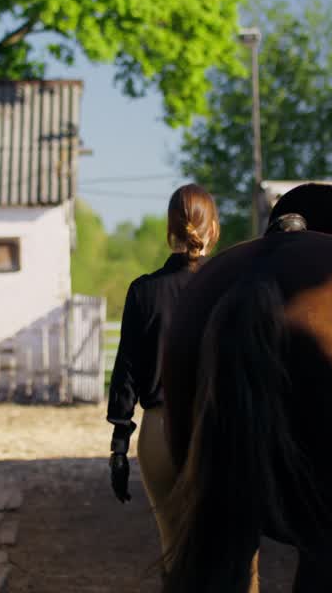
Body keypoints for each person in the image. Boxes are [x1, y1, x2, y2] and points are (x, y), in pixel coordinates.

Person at [105, 183, 220, 557]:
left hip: (159, 431)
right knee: (225, 554)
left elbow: (126, 372)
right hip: (219, 427)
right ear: (213, 229)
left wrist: (119, 447)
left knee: (174, 553)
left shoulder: (143, 292)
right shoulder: (230, 287)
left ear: (170, 230)